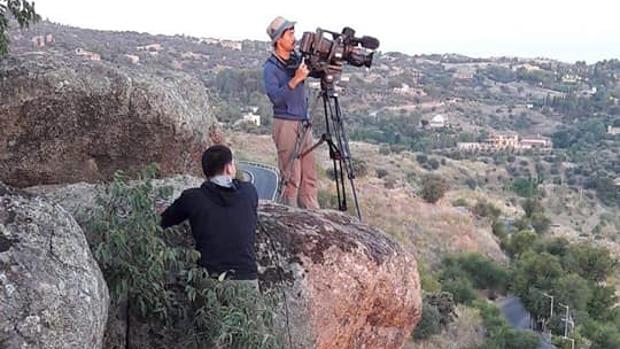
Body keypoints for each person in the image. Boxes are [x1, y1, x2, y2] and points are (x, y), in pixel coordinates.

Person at [159, 145, 259, 286]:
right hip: (246, 279)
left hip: (209, 279)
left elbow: (162, 222)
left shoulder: (192, 198)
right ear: (229, 168)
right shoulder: (249, 192)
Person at [263, 16, 319, 210]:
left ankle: (313, 216)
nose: (294, 38)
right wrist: (295, 80)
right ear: (279, 39)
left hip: (303, 121)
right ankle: (290, 218)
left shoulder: (297, 59)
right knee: (291, 177)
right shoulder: (270, 68)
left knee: (309, 176)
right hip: (285, 123)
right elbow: (276, 98)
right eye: (290, 34)